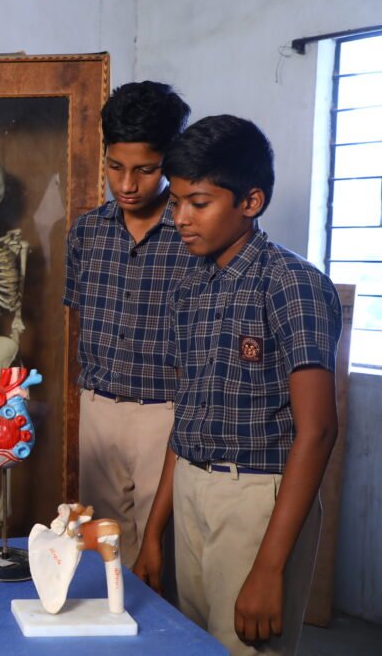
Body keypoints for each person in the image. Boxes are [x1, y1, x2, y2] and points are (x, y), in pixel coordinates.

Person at [134, 115, 341, 655]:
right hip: (192, 490)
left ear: (251, 202)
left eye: (198, 203)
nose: (180, 218)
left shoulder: (292, 284)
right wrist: (154, 532)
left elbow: (317, 432)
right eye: (175, 201)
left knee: (245, 647)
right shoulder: (191, 285)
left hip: (256, 499)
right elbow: (188, 419)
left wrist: (269, 568)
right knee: (192, 644)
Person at [63, 81, 196, 566]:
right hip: (98, 408)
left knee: (164, 556)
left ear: (172, 161)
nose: (126, 184)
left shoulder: (192, 237)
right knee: (103, 552)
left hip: (168, 413)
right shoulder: (86, 232)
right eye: (115, 167)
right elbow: (78, 323)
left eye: (145, 170)